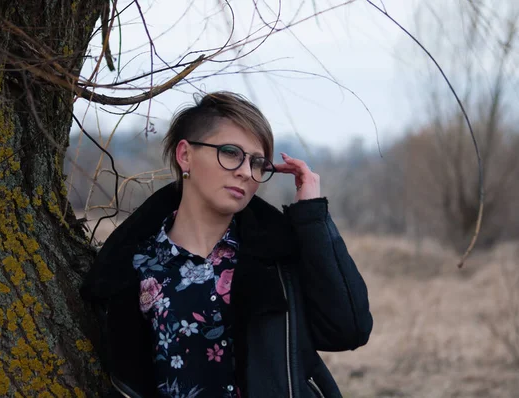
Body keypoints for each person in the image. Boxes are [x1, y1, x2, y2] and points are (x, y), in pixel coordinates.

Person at [80, 91, 373, 398]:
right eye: (231, 153)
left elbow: (348, 330)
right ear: (185, 155)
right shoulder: (134, 266)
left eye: (257, 162)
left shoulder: (276, 257)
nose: (246, 172)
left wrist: (312, 217)